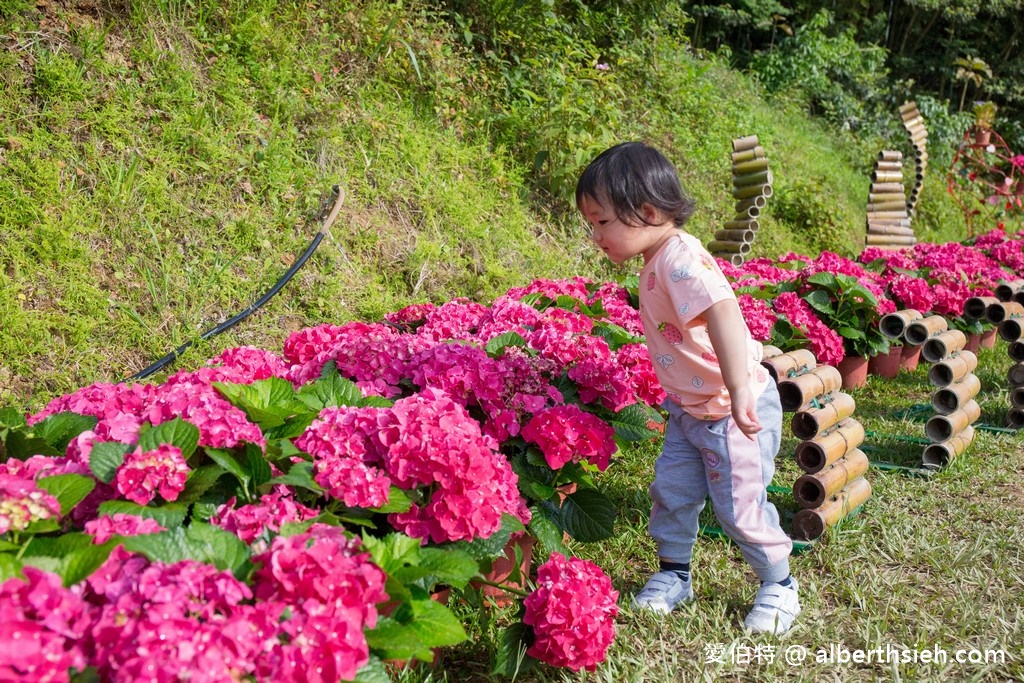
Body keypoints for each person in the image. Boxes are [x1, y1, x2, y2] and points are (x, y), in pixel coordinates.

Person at [575, 141, 799, 635]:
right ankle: (675, 574)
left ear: (649, 212)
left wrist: (740, 389)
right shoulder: (656, 259)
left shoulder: (679, 259)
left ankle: (779, 583)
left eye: (602, 221)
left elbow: (722, 309)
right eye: (590, 224)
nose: (595, 235)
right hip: (689, 410)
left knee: (739, 505)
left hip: (729, 408)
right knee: (672, 493)